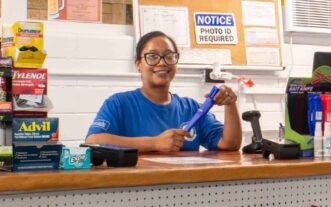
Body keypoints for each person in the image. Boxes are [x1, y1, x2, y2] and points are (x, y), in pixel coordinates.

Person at [86, 31, 241, 153]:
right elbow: (93, 141)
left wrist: (230, 105)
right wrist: (154, 143)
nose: (162, 62)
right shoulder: (119, 103)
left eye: (169, 56)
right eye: (152, 56)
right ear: (138, 64)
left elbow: (229, 145)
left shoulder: (192, 108)